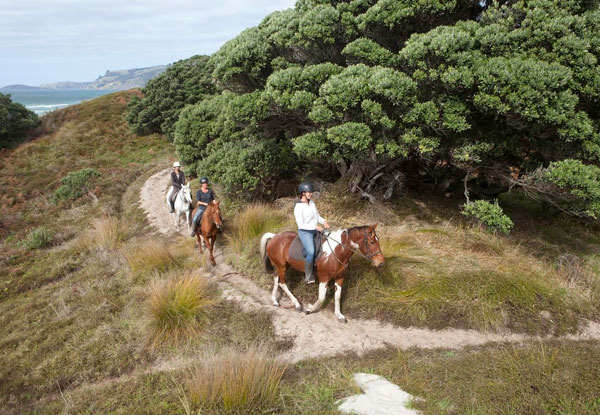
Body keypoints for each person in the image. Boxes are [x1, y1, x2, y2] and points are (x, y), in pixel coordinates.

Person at [294, 182, 330, 284]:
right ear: (303, 193)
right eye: (308, 192)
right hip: (305, 232)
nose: (310, 194)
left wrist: (324, 222)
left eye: (311, 192)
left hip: (316, 229)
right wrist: (314, 227)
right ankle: (308, 275)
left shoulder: (312, 203)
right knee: (311, 251)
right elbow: (300, 224)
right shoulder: (298, 207)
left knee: (329, 239)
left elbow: (317, 216)